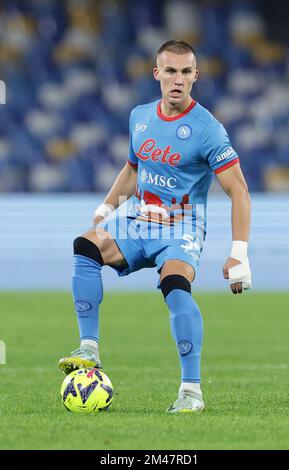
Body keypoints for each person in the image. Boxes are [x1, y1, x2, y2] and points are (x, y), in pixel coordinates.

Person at [59, 40, 252, 413]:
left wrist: (239, 254)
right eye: (170, 71)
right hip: (139, 218)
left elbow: (239, 191)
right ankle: (89, 349)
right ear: (157, 74)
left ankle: (191, 391)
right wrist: (107, 205)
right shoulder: (140, 116)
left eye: (185, 72)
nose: (177, 80)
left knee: (175, 285)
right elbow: (133, 167)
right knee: (85, 245)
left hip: (182, 226)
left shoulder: (208, 129)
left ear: (195, 76)